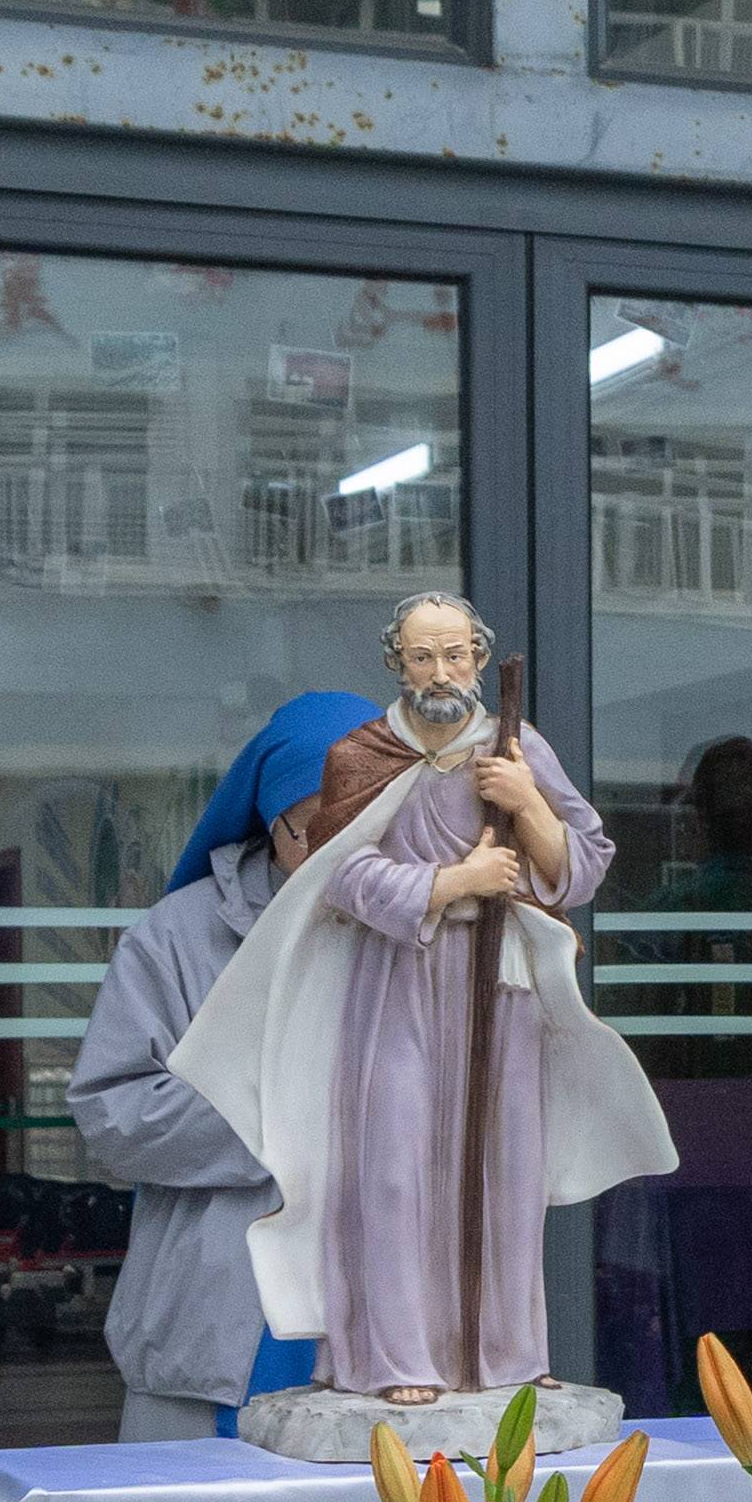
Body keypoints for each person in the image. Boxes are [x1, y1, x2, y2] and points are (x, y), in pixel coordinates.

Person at [171, 590, 663, 1411]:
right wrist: (452, 881)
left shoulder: (516, 748)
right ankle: (393, 1355)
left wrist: (527, 802)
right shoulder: (362, 754)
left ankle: (506, 1354)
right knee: (393, 1169)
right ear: (396, 663)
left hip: (498, 986)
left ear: (479, 658)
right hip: (394, 981)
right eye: (423, 656)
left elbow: (581, 867)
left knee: (504, 1167)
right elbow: (337, 873)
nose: (441, 673)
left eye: (456, 655)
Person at [73, 690, 378, 1438]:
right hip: (221, 1310)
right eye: (314, 831)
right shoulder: (177, 938)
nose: (338, 853)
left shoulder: (439, 928)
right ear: (271, 824)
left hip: (388, 1302)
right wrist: (290, 1104)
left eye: (367, 825)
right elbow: (113, 1117)